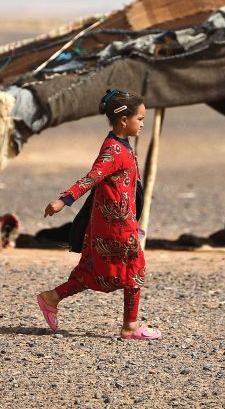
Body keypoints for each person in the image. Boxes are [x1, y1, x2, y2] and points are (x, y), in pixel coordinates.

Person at [35, 89, 161, 340]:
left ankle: (52, 297)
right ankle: (130, 327)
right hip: (115, 225)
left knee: (94, 270)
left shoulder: (121, 146)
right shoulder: (114, 151)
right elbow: (92, 178)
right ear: (124, 120)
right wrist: (64, 200)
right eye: (140, 119)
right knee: (135, 269)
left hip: (117, 222)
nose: (143, 124)